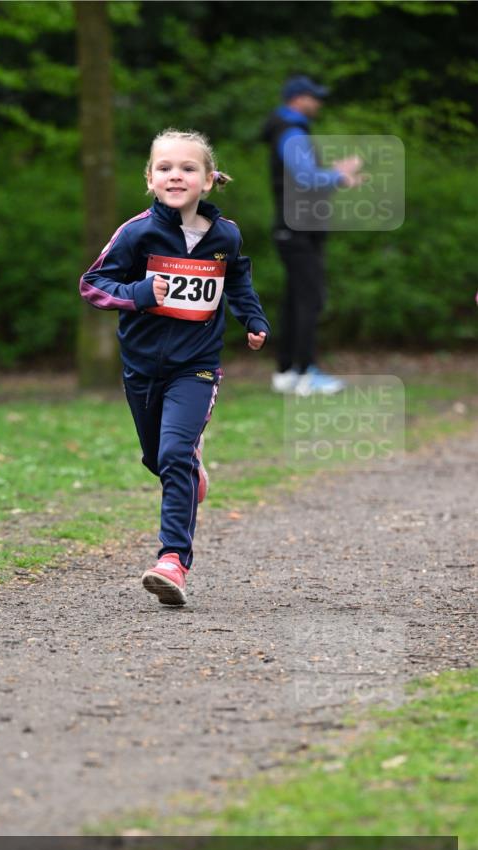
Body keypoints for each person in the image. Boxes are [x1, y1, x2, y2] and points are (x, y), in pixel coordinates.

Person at [79, 128, 270, 607]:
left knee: (174, 454)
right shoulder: (137, 232)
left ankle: (173, 561)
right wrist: (140, 295)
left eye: (187, 168)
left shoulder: (225, 235)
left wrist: (253, 317)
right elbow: (93, 285)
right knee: (158, 458)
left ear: (207, 180)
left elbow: (238, 278)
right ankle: (189, 469)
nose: (176, 175)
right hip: (142, 368)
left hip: (197, 366)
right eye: (165, 168)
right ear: (150, 178)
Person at [261, 75, 362, 396]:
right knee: (309, 299)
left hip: (293, 228)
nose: (317, 102)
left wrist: (331, 172)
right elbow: (305, 178)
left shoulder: (288, 130)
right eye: (313, 97)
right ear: (297, 99)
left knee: (295, 299)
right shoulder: (291, 131)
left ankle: (286, 371)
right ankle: (305, 373)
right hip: (299, 230)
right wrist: (338, 176)